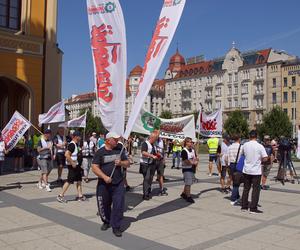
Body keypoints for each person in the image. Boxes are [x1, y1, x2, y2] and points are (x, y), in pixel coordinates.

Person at [92, 132, 130, 237]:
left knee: (118, 205)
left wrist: (121, 163)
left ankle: (116, 226)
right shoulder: (100, 152)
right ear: (108, 140)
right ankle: (106, 221)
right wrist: (104, 177)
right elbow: (94, 167)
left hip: (118, 182)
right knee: (103, 204)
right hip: (103, 184)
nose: (117, 141)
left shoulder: (120, 149)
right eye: (115, 139)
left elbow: (128, 163)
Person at [241, 130, 268, 214]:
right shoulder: (260, 146)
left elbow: (242, 154)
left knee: (246, 188)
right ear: (257, 136)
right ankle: (253, 208)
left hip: (246, 170)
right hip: (256, 171)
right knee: (256, 190)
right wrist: (261, 159)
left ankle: (244, 206)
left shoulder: (245, 145)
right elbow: (265, 157)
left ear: (249, 136)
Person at [57, 131, 86, 203]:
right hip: (73, 166)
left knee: (79, 180)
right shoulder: (72, 145)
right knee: (69, 180)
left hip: (77, 166)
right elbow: (66, 154)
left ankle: (80, 196)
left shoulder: (76, 144)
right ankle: (60, 196)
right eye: (79, 136)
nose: (81, 137)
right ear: (76, 136)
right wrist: (72, 163)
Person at [140, 132, 159, 200]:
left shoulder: (153, 144)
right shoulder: (145, 143)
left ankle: (148, 189)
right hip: (145, 164)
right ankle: (145, 194)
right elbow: (143, 152)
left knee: (151, 178)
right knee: (146, 178)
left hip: (152, 163)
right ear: (152, 138)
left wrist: (158, 155)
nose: (156, 140)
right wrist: (152, 156)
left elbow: (154, 152)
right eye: (155, 138)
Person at [180, 137, 199, 203]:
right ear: (187, 143)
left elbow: (195, 157)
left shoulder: (192, 150)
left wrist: (196, 159)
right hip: (186, 169)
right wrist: (193, 162)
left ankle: (183, 193)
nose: (192, 143)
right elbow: (185, 161)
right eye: (191, 142)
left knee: (189, 182)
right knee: (188, 183)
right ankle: (188, 196)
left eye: (192, 142)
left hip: (192, 168)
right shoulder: (184, 151)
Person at [227, 134, 242, 205]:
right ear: (239, 139)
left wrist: (228, 165)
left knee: (235, 180)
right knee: (236, 182)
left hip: (231, 165)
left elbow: (227, 157)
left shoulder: (230, 147)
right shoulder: (241, 147)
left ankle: (237, 196)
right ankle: (233, 199)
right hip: (239, 165)